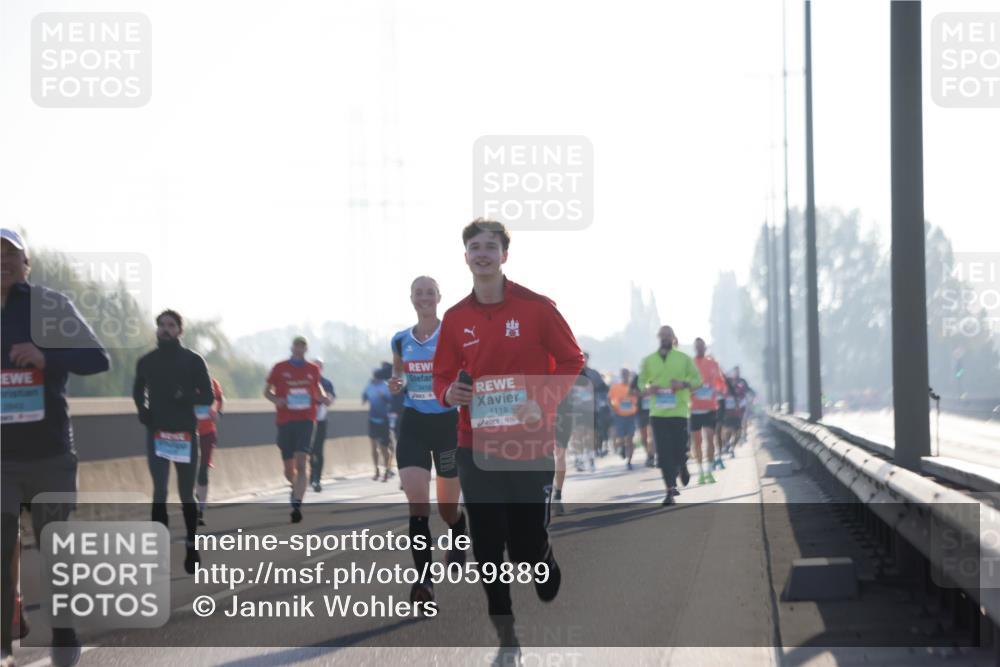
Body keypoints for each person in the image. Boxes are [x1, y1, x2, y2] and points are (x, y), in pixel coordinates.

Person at [432, 219, 584, 657]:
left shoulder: (537, 307)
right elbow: (443, 372)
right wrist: (448, 391)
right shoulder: (456, 317)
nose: (482, 254)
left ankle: (542, 557)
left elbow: (572, 359)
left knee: (523, 543)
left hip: (530, 443)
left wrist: (542, 400)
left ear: (504, 255)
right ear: (466, 257)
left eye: (490, 247)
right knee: (487, 543)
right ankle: (507, 637)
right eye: (474, 247)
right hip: (474, 444)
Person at [2, 229, 110, 667]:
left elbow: (97, 358)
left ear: (27, 262)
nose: (2, 261)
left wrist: (47, 357)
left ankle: (64, 635)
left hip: (50, 453)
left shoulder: (49, 305)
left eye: (10, 254)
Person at [388, 276, 467, 607]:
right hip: (414, 425)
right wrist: (397, 383)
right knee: (417, 506)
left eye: (429, 293)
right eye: (418, 293)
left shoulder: (452, 336)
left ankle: (458, 528)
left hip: (448, 423)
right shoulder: (400, 339)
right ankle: (424, 583)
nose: (424, 298)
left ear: (438, 298)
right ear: (411, 299)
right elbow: (399, 375)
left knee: (447, 508)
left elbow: (467, 372)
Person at [133, 309, 214, 571]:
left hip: (184, 435)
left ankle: (191, 547)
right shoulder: (147, 361)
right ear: (156, 329)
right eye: (161, 325)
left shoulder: (193, 360)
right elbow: (138, 390)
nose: (165, 329)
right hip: (157, 434)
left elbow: (208, 396)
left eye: (170, 325)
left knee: (185, 494)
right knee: (159, 492)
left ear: (180, 330)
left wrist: (185, 396)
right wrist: (142, 410)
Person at [264, 336, 327, 523]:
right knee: (288, 469)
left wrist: (323, 397)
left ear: (306, 349)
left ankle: (297, 504)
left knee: (301, 463)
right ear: (292, 348)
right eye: (297, 346)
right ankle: (295, 487)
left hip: (306, 420)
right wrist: (277, 400)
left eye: (303, 346)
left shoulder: (313, 369)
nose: (299, 349)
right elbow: (267, 391)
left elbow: (318, 388)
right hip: (285, 421)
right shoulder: (279, 368)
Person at [638, 325, 701, 505]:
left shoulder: (684, 359)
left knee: (679, 449)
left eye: (668, 335)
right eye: (662, 335)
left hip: (679, 411)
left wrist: (683, 384)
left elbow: (698, 381)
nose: (665, 338)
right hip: (658, 413)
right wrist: (649, 388)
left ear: (673, 338)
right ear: (659, 337)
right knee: (663, 452)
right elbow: (641, 383)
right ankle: (669, 490)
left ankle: (682, 465)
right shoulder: (649, 360)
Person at [690, 338, 726, 484]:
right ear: (695, 348)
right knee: (697, 442)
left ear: (705, 348)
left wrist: (719, 390)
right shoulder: (690, 364)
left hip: (710, 407)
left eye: (702, 346)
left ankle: (709, 471)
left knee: (710, 438)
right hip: (693, 408)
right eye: (697, 346)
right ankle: (700, 472)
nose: (700, 348)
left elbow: (720, 382)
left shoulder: (713, 364)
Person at [195, 376, 224, 525]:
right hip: (188, 431)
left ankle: (201, 509)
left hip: (207, 432)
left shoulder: (213, 382)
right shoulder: (183, 380)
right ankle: (192, 499)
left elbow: (219, 400)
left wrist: (216, 411)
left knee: (203, 468)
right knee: (191, 467)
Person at [309, 359, 336, 492]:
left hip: (321, 421)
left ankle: (317, 479)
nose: (316, 368)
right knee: (307, 451)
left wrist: (324, 398)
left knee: (318, 451)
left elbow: (329, 400)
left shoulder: (326, 383)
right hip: (306, 421)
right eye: (314, 366)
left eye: (318, 366)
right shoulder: (305, 381)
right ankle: (310, 476)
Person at [362, 368, 394, 481]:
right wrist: (365, 396)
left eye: (377, 378)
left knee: (384, 448)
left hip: (384, 421)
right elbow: (364, 399)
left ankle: (387, 470)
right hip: (372, 420)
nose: (375, 379)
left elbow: (391, 402)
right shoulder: (369, 386)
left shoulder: (386, 386)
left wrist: (383, 397)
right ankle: (376, 470)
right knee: (373, 447)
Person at [608, 369, 639, 469]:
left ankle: (629, 461)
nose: (625, 376)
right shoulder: (615, 387)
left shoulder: (633, 387)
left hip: (631, 416)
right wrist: (613, 409)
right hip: (619, 416)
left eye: (627, 374)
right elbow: (609, 399)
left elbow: (639, 398)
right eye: (623, 374)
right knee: (621, 438)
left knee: (630, 439)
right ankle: (622, 448)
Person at [631, 372, 654, 468]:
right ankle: (648, 454)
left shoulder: (655, 375)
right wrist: (640, 394)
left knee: (651, 436)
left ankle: (652, 456)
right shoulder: (637, 377)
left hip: (653, 410)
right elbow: (631, 391)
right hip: (641, 411)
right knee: (644, 437)